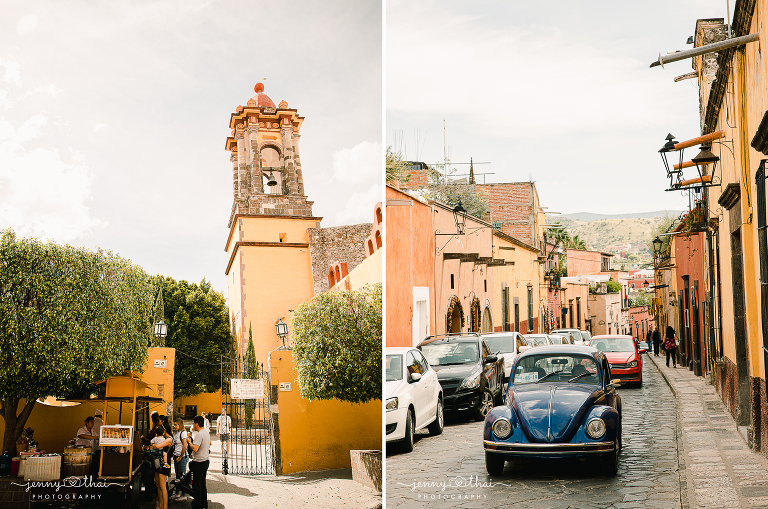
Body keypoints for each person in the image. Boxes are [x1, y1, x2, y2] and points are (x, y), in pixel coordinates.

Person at [189, 415, 211, 509]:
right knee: (202, 484)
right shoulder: (206, 432)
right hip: (205, 460)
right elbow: (206, 446)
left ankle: (197, 504)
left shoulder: (199, 435)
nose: (193, 425)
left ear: (197, 424)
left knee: (197, 485)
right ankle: (204, 504)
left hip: (199, 462)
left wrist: (189, 441)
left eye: (194, 423)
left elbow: (195, 448)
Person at [151, 421, 173, 509]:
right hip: (158, 462)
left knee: (163, 486)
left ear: (164, 430)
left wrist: (152, 444)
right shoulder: (164, 438)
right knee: (158, 485)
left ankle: (165, 507)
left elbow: (156, 446)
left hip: (163, 464)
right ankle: (160, 506)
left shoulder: (169, 439)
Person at [170, 418, 190, 501]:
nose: (174, 426)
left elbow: (184, 446)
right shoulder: (177, 433)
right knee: (177, 475)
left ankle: (184, 494)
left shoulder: (183, 433)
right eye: (174, 424)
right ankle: (177, 492)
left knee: (182, 476)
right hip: (176, 456)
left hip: (182, 457)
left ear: (180, 425)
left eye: (176, 424)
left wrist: (181, 457)